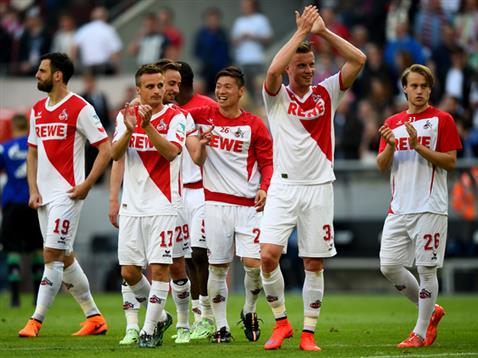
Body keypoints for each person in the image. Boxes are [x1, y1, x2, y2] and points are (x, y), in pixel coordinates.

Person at [259, 6, 366, 351]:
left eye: (310, 65)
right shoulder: (277, 98)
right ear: (292, 66)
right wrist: (300, 34)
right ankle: (281, 324)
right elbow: (273, 70)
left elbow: (358, 59)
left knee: (313, 262)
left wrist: (321, 32)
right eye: (301, 65)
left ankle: (308, 333)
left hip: (319, 187)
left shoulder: (327, 92)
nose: (307, 70)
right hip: (284, 185)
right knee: (268, 256)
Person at [18, 52, 111, 337]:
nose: (37, 74)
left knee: (52, 255)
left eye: (42, 70)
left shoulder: (80, 107)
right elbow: (32, 153)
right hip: (44, 197)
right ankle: (94, 317)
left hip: (68, 194)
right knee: (65, 256)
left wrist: (87, 185)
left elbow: (105, 148)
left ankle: (35, 320)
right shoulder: (36, 109)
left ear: (58, 75)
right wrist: (33, 189)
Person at [376, 64, 462, 348]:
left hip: (430, 206)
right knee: (389, 265)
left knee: (427, 270)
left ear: (430, 89)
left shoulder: (443, 120)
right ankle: (431, 309)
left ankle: (420, 332)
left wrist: (418, 147)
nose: (419, 90)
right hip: (398, 207)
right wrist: (390, 144)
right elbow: (381, 166)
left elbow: (451, 162)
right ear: (405, 88)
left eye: (424, 86)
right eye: (414, 85)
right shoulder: (393, 122)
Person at [189, 66, 273, 343]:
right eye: (219, 86)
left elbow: (268, 162)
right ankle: (221, 327)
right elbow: (176, 112)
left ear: (240, 92)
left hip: (249, 206)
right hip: (215, 204)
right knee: (217, 268)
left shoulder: (254, 124)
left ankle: (249, 310)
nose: (221, 91)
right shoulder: (201, 117)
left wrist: (264, 188)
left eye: (228, 87)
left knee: (254, 264)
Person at [111, 63, 187, 348]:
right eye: (151, 86)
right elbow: (115, 154)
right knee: (129, 272)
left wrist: (147, 127)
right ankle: (162, 316)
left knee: (159, 269)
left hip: (163, 204)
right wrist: (130, 130)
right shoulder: (125, 116)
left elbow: (171, 153)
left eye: (160, 85)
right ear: (138, 90)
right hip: (132, 205)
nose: (158, 91)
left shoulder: (177, 116)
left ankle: (148, 328)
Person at [176, 60, 217, 340]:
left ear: (181, 83)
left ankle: (208, 314)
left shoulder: (208, 108)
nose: (165, 88)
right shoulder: (165, 113)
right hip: (176, 191)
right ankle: (197, 314)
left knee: (201, 253)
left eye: (169, 82)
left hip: (204, 188)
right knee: (186, 256)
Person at [0, 113, 43, 307]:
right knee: (37, 249)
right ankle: (37, 296)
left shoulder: (4, 147)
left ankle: (15, 297)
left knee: (12, 250)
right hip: (34, 201)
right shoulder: (36, 147)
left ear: (11, 127)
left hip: (11, 203)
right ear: (28, 127)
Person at [231, 0, 273, 103]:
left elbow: (268, 39)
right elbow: (233, 40)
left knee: (259, 87)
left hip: (256, 59)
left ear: (253, 6)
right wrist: (241, 37)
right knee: (244, 88)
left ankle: (260, 108)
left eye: (246, 5)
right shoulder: (239, 21)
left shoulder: (261, 19)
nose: (244, 7)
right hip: (242, 60)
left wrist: (253, 37)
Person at [73, 6, 122, 75]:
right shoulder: (108, 29)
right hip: (104, 69)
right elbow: (114, 53)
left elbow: (74, 50)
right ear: (105, 17)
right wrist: (117, 71)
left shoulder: (84, 29)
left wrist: (73, 69)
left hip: (87, 69)